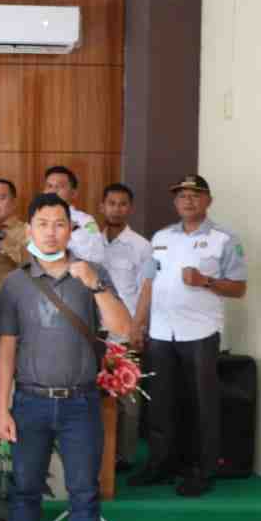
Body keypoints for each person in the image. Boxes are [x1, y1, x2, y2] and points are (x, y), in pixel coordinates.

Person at [0, 193, 130, 521]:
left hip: (81, 403)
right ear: (30, 228)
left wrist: (95, 283)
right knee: (24, 488)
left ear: (71, 228)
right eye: (43, 223)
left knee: (85, 491)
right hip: (30, 402)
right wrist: (2, 408)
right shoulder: (16, 283)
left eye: (59, 223)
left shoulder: (92, 273)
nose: (51, 231)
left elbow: (124, 328)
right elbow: (6, 351)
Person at [128, 175, 247, 497]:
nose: (188, 200)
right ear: (175, 202)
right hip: (162, 332)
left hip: (201, 332)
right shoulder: (161, 237)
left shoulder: (224, 238)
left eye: (195, 195)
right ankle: (160, 463)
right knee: (160, 402)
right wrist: (137, 324)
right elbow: (149, 284)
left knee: (201, 404)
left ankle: (201, 469)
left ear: (208, 200)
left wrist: (206, 281)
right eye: (181, 195)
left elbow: (239, 288)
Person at [98, 183, 153, 470]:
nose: (116, 208)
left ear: (129, 209)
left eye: (122, 204)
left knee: (127, 396)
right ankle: (103, 454)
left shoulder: (142, 246)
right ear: (102, 207)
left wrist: (138, 327)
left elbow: (147, 288)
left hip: (125, 331)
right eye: (111, 203)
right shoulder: (92, 242)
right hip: (95, 331)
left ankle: (126, 457)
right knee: (99, 397)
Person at [44, 166, 105, 265]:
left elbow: (98, 256)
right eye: (49, 186)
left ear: (73, 193)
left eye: (60, 186)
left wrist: (75, 229)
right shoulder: (36, 219)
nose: (53, 191)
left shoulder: (87, 221)